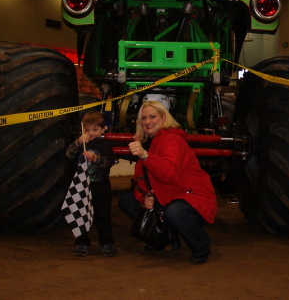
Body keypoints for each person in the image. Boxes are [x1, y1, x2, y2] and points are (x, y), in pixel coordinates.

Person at [119, 101, 217, 265]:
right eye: (143, 118)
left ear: (163, 118)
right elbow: (140, 178)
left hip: (190, 195)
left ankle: (201, 247)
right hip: (166, 195)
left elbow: (168, 174)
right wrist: (144, 198)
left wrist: (145, 156)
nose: (147, 121)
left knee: (176, 211)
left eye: (152, 116)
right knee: (127, 201)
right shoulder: (148, 142)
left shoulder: (171, 139)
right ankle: (168, 237)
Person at [66, 111, 116, 257]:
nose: (91, 133)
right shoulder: (80, 143)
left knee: (103, 216)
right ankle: (81, 242)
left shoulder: (105, 144)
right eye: (87, 130)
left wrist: (95, 158)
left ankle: (107, 242)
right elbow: (68, 154)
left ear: (103, 129)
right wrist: (78, 142)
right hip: (81, 186)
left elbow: (108, 162)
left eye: (95, 129)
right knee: (80, 214)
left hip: (101, 186)